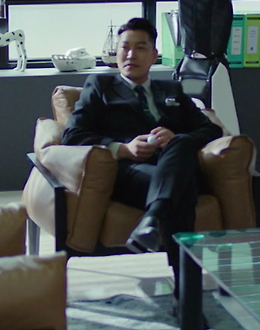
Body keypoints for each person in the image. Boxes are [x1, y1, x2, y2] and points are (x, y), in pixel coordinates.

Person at [61, 17, 223, 286]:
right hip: (131, 173)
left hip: (175, 165)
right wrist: (122, 149)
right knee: (181, 192)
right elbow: (72, 135)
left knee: (181, 144)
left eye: (140, 48)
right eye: (125, 47)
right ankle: (186, 290)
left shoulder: (172, 89)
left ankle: (152, 219)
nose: (131, 55)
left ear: (154, 55)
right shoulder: (100, 86)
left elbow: (211, 129)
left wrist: (176, 138)